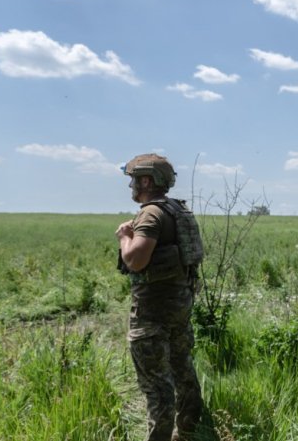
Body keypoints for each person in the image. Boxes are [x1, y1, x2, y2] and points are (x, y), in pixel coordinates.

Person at [116, 153, 204, 441]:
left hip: (152, 313)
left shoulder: (151, 213)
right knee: (183, 369)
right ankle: (189, 431)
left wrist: (124, 236)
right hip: (179, 307)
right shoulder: (178, 210)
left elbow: (136, 260)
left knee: (157, 388)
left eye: (133, 179)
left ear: (145, 180)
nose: (131, 186)